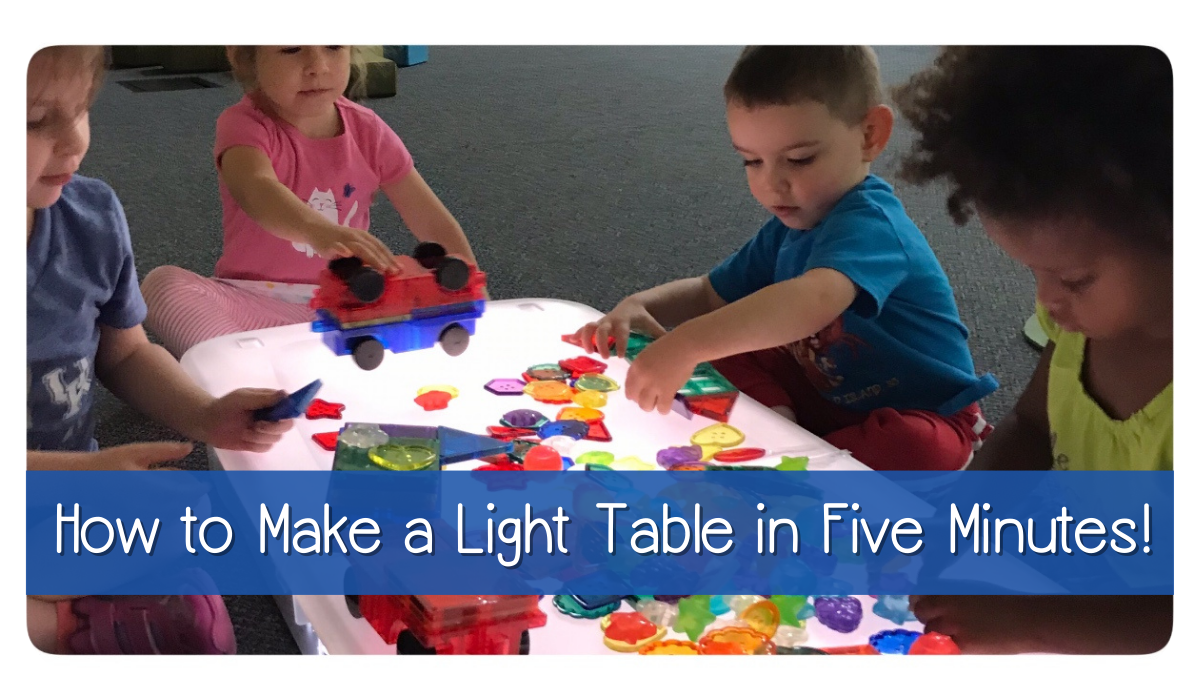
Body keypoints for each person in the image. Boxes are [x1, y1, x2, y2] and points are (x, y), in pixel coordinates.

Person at [572, 46, 996, 472]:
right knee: (729, 339)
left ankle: (797, 452)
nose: (772, 184)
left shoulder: (875, 226)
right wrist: (640, 304)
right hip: (828, 394)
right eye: (751, 161)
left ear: (870, 135)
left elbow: (813, 301)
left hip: (924, 414)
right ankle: (791, 436)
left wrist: (687, 342)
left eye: (799, 159)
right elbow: (709, 292)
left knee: (915, 446)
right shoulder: (790, 227)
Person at [895, 45, 1172, 653]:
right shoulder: (1079, 330)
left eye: (1073, 279)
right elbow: (1029, 424)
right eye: (1033, 274)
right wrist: (967, 517)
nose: (1047, 304)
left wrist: (1031, 625)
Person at [27, 45, 291, 654]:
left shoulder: (88, 218)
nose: (75, 142)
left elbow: (122, 352)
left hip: (66, 497)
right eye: (36, 120)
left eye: (83, 108)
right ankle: (58, 630)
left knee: (199, 584)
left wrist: (205, 413)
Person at [142, 45, 477, 357]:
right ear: (245, 56)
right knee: (163, 286)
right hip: (255, 303)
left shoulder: (369, 130)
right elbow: (255, 188)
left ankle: (264, 368)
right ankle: (245, 371)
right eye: (291, 48)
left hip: (350, 306)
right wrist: (318, 230)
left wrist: (473, 292)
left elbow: (431, 220)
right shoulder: (244, 125)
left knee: (420, 301)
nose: (317, 66)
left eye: (333, 45)